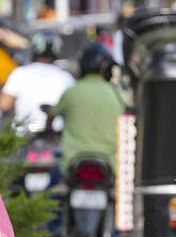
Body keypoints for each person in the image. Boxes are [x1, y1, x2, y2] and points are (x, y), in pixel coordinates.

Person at [48, 43, 125, 173]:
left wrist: (53, 134)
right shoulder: (120, 95)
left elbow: (51, 116)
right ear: (108, 69)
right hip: (111, 165)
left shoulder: (72, 92)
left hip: (72, 164)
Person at [0, 31, 74, 134]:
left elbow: (4, 105)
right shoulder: (66, 78)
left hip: (23, 135)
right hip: (55, 135)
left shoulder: (20, 73)